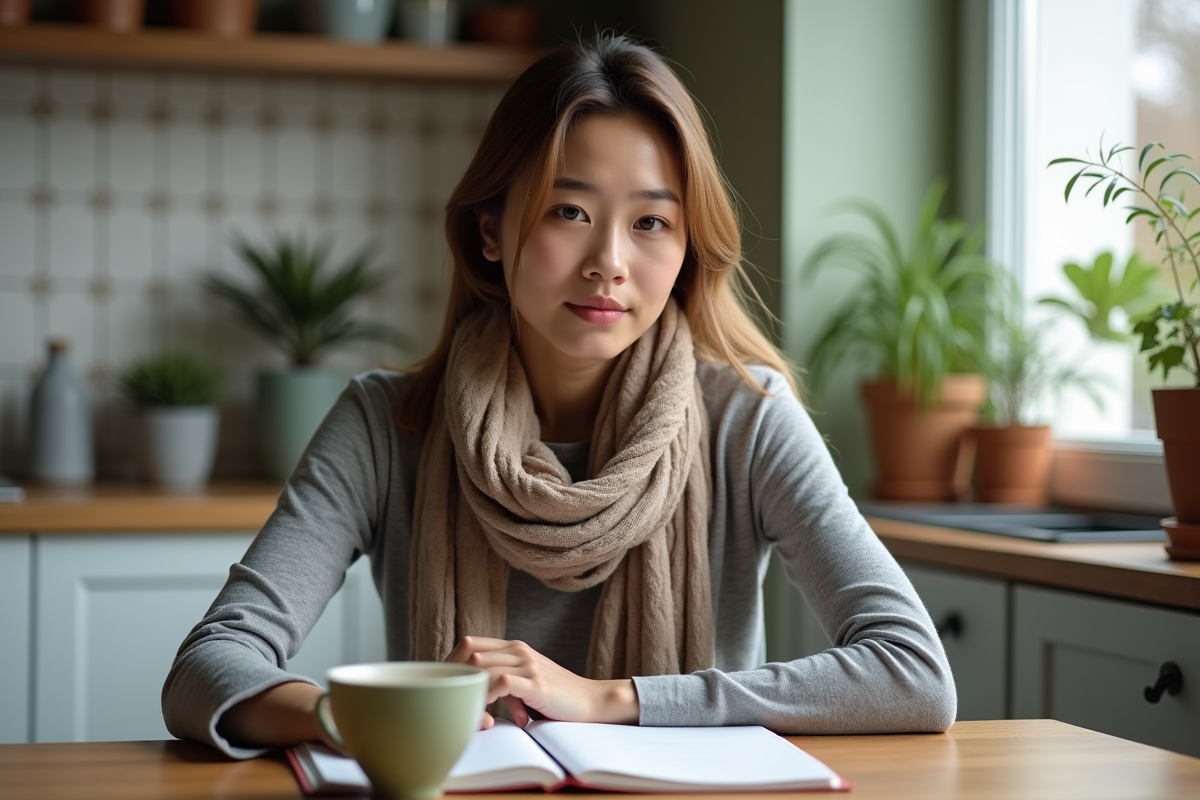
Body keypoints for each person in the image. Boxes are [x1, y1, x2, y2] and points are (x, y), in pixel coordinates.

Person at [162, 33, 956, 759]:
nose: (609, 261)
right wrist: (348, 715)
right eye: (569, 211)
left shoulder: (745, 416)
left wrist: (609, 700)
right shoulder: (385, 422)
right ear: (490, 230)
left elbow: (912, 672)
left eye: (651, 223)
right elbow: (210, 663)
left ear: (686, 251)